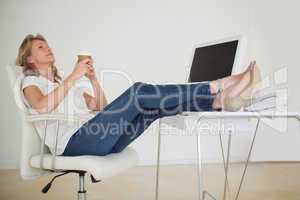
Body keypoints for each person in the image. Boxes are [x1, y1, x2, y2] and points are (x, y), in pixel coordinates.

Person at [16, 34, 261, 156]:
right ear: (29, 58)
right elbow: (40, 107)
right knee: (138, 92)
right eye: (40, 47)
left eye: (47, 44)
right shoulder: (31, 82)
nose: (48, 48)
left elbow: (102, 108)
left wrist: (91, 79)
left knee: (150, 108)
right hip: (74, 143)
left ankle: (217, 102)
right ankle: (217, 86)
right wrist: (72, 77)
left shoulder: (65, 86)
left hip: (96, 138)